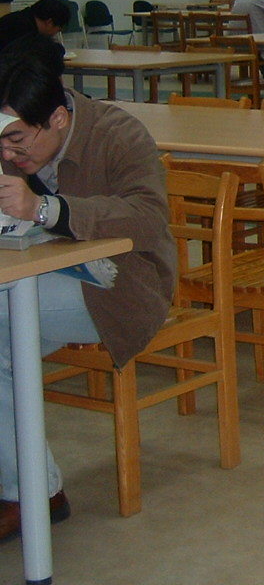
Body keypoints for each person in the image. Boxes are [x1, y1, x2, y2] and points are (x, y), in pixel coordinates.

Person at [0, 36, 175, 540]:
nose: (9, 153)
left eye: (18, 141)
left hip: (121, 284)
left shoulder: (118, 134)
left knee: (6, 317)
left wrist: (45, 209)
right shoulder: (16, 141)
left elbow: (147, 218)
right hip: (38, 272)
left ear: (57, 119)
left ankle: (28, 492)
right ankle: (34, 490)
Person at [0, 0, 69, 53]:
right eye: (58, 30)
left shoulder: (22, 17)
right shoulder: (25, 30)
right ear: (49, 22)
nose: (55, 34)